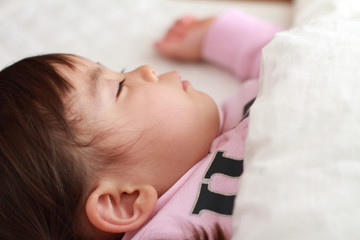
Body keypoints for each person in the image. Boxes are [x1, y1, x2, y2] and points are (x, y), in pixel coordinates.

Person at [0, 9, 282, 240]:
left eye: (122, 72)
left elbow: (293, 57)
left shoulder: (239, 109)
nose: (145, 70)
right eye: (120, 87)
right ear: (123, 200)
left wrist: (216, 36)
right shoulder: (172, 230)